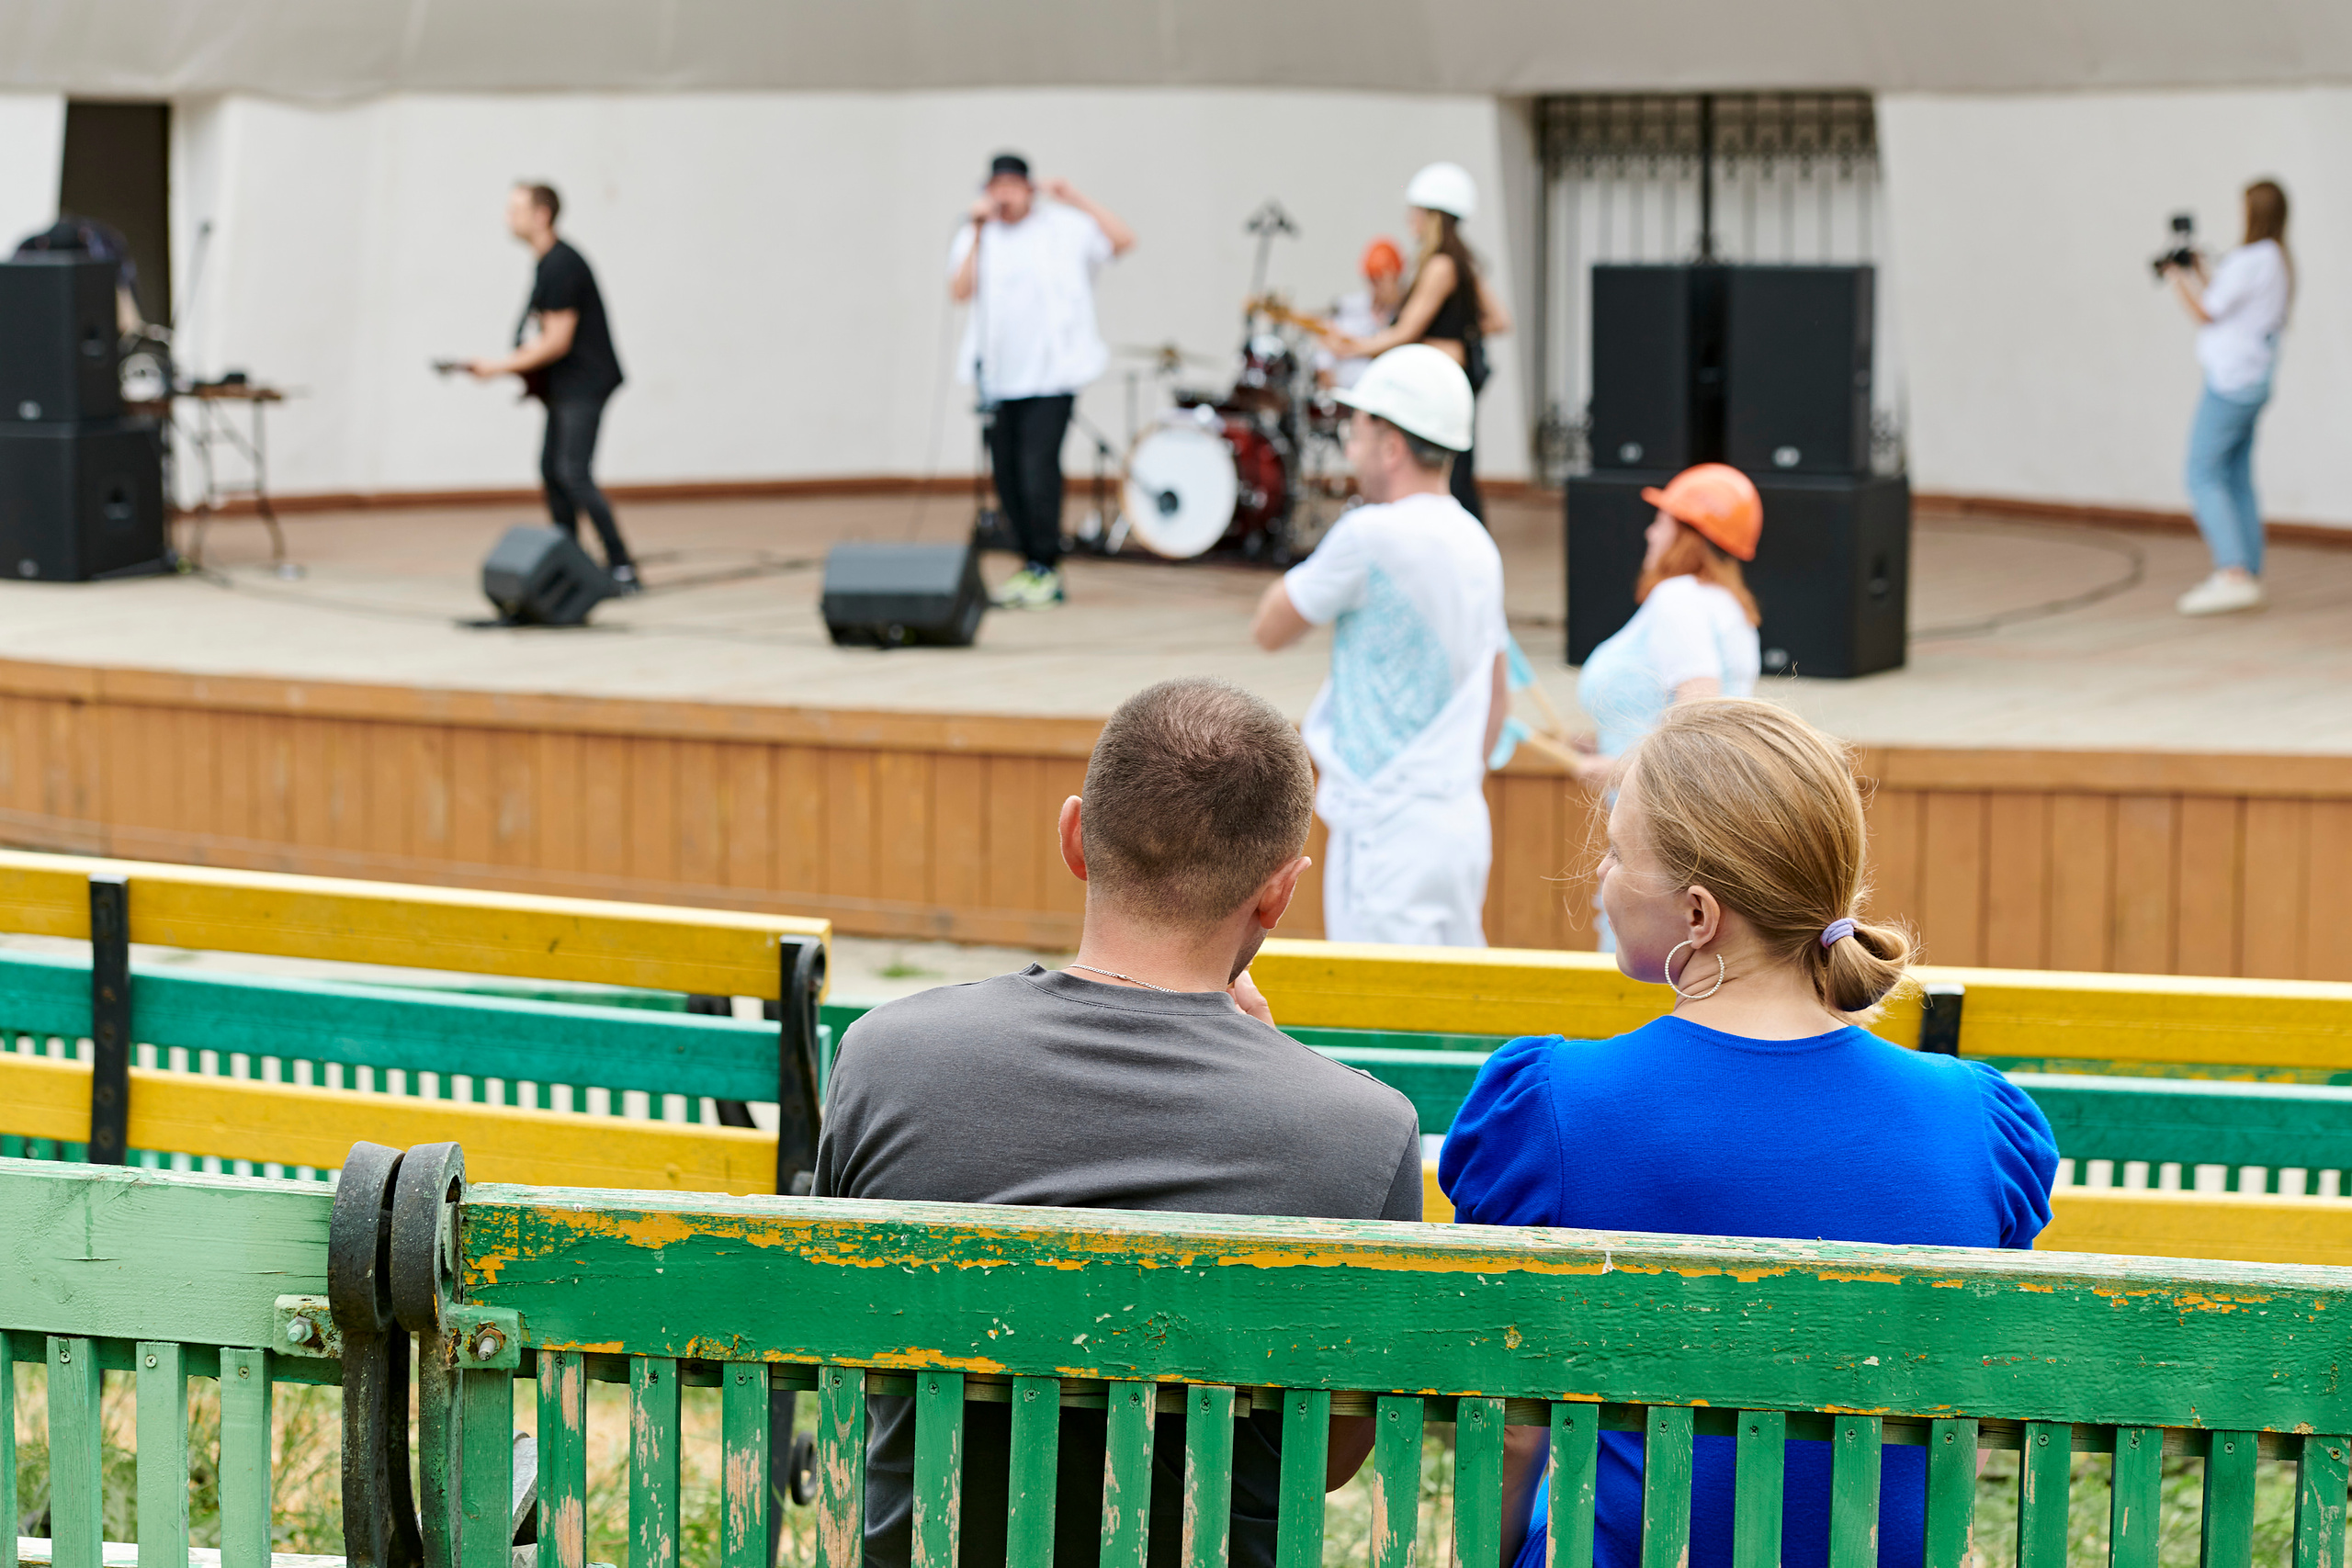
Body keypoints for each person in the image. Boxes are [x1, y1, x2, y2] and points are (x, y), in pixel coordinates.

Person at [814, 675, 1419, 1568]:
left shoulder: (882, 1059)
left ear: (1073, 838)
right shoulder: (1361, 1134)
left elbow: (851, 1356)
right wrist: (1280, 1065)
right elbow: (1327, 1457)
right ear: (1277, 895)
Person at [1439, 698, 2058, 1568]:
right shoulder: (1979, 1127)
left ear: (1699, 915)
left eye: (1616, 853)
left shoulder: (1550, 1108)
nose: (1600, 880)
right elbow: (1972, 1429)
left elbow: (1507, 1428)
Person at [1250, 345, 1509, 946]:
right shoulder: (1478, 544)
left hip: (1387, 825)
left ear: (1392, 444)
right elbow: (1497, 703)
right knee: (1451, 1016)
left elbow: (1270, 628)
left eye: (1359, 428)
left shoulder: (1369, 535)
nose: (1349, 443)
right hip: (1459, 819)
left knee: (1382, 1022)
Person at [949, 152, 1135, 610]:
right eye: (996, 188)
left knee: (1038, 468)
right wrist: (976, 230)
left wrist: (1076, 198)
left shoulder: (1064, 228)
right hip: (998, 379)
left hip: (1053, 376)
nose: (1004, 196)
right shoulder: (979, 235)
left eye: (1013, 186)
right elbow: (959, 291)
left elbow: (1123, 240)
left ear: (1029, 189)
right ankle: (1030, 563)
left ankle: (1046, 566)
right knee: (1007, 474)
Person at [467, 183, 638, 592]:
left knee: (573, 474)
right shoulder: (546, 263)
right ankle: (571, 560)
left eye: (516, 210)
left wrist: (497, 367)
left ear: (542, 214)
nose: (509, 218)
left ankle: (621, 567)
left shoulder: (562, 264)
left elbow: (557, 341)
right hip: (565, 386)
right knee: (552, 472)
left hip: (585, 384)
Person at [1325, 163, 1511, 522]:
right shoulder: (1460, 263)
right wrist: (1462, 329)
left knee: (1449, 469)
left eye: (1416, 212)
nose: (1410, 219)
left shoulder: (1440, 265)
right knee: (1456, 466)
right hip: (1456, 374)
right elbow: (1498, 320)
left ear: (1433, 216)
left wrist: (1354, 348)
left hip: (1442, 379)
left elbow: (1407, 330)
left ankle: (1458, 534)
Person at [1573, 463, 1763, 777]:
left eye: (1661, 522)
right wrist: (1608, 747)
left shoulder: (1679, 598)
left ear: (1687, 535)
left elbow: (1695, 722)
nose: (1650, 533)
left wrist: (1618, 771)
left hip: (1665, 817)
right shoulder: (1726, 603)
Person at [2164, 179, 2291, 616]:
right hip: (2255, 380)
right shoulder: (2274, 259)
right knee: (2235, 475)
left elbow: (2207, 311)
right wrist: (2200, 270)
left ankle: (2232, 573)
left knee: (2201, 472)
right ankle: (2247, 571)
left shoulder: (2251, 259)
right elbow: (2228, 298)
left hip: (2231, 383)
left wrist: (2176, 277)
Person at [1317, 237, 1406, 389]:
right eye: (1371, 280)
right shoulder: (1350, 306)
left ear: (1396, 277)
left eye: (1380, 281)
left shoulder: (1405, 314)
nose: (1375, 288)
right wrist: (1324, 370)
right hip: (1343, 392)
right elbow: (1326, 344)